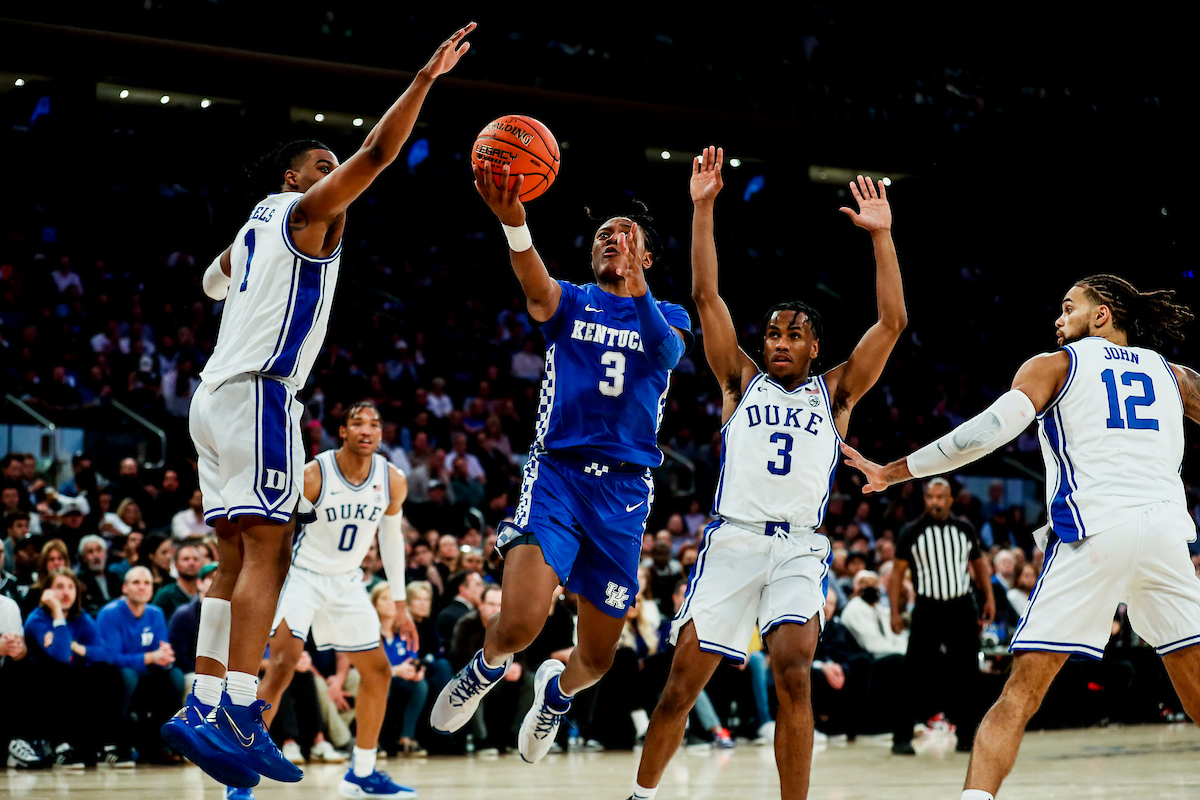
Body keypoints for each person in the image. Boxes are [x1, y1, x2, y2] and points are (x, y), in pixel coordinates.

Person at [161, 22, 474, 792]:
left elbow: (211, 280)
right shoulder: (304, 216)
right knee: (268, 550)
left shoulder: (253, 225)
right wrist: (424, 81)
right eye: (321, 166)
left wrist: (235, 284)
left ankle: (200, 704)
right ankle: (239, 709)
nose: (338, 174)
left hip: (213, 397)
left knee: (232, 559)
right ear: (296, 180)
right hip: (264, 394)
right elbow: (379, 154)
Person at [840, 274, 1200, 800]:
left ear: (1101, 315)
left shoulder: (1055, 365)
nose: (1058, 319)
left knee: (1019, 695)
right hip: (1169, 535)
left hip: (1095, 531)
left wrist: (896, 471)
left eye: (1068, 307)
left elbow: (988, 431)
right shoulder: (1176, 375)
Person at [630, 153, 906, 800]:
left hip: (800, 548)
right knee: (679, 686)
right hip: (732, 541)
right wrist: (703, 207)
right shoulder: (740, 381)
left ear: (815, 347)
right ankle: (640, 795)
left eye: (795, 334)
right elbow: (704, 296)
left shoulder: (835, 393)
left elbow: (892, 323)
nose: (780, 341)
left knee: (794, 675)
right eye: (774, 333)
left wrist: (883, 237)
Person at [432, 115, 695, 767]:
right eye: (605, 236)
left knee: (599, 656)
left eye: (625, 236)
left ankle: (554, 697)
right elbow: (534, 285)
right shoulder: (573, 303)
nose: (612, 241)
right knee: (520, 621)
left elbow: (664, 354)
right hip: (559, 475)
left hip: (626, 494)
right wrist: (515, 223)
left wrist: (638, 289)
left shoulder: (669, 317)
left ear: (650, 257)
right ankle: (486, 667)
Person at [257, 401, 416, 798]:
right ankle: (240, 775)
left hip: (347, 581)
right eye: (357, 423)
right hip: (303, 575)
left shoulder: (393, 480)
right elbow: (280, 533)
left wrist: (400, 604)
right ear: (341, 432)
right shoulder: (314, 474)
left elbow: (391, 540)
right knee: (281, 666)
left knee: (378, 672)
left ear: (382, 434)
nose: (368, 430)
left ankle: (361, 773)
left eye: (375, 425)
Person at [889, 478, 994, 755]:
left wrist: (989, 598)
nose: (935, 501)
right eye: (930, 496)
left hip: (961, 607)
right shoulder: (911, 531)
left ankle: (967, 737)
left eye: (940, 496)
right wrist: (894, 612)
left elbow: (979, 564)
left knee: (968, 673)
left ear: (950, 500)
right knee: (913, 673)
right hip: (928, 608)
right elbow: (897, 573)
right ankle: (901, 738)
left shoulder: (964, 528)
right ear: (925, 499)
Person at [95, 566, 184, 763]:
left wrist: (165, 659)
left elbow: (161, 653)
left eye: (147, 583)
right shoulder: (109, 613)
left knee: (175, 677)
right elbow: (111, 658)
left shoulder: (156, 613)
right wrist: (151, 657)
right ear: (124, 588)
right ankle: (113, 743)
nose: (142, 587)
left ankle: (157, 743)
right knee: (127, 675)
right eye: (136, 582)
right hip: (113, 679)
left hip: (145, 678)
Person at [372, 582, 429, 757]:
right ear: (374, 603)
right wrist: (396, 670)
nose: (390, 603)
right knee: (382, 683)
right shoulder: (370, 631)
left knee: (420, 685)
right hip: (379, 678)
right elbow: (371, 666)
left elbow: (413, 658)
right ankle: (373, 740)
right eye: (384, 599)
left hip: (401, 678)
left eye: (393, 599)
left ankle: (406, 739)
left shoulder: (405, 629)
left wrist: (417, 670)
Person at [152, 542, 204, 621]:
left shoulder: (206, 594)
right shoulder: (165, 595)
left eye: (195, 559)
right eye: (186, 559)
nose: (191, 563)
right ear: (176, 565)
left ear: (201, 564)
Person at [78, 534, 122, 617]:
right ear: (84, 558)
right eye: (90, 552)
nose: (96, 555)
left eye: (99, 550)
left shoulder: (115, 577)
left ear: (105, 554)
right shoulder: (80, 580)